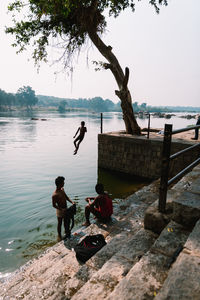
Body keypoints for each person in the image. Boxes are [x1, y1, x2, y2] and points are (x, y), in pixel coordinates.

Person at [52, 176, 75, 241]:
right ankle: (59, 235)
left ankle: (66, 233)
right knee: (59, 223)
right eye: (63, 182)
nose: (64, 183)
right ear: (60, 184)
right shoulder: (55, 194)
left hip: (66, 209)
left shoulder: (62, 190)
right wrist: (61, 209)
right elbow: (54, 205)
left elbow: (66, 197)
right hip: (60, 210)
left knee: (66, 222)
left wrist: (72, 202)